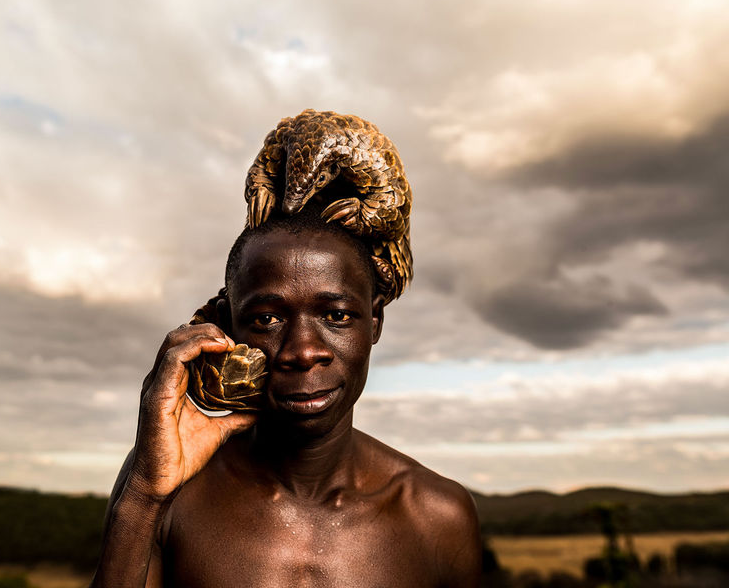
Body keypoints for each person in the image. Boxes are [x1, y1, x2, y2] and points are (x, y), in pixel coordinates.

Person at [91, 190, 481, 587]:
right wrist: (144, 496)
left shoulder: (437, 516)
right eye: (267, 319)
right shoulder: (167, 491)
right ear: (227, 326)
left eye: (337, 315)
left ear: (375, 321)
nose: (304, 351)